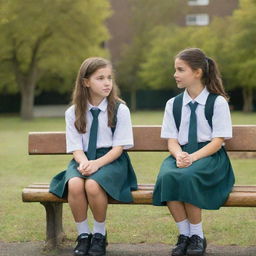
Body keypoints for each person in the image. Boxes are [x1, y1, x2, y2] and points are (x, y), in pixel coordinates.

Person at [49, 57, 137, 256]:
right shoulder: (73, 112)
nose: (107, 83)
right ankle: (83, 235)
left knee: (92, 185)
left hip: (111, 160)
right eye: (100, 78)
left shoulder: (120, 109)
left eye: (109, 78)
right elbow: (75, 147)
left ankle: (99, 234)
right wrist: (84, 163)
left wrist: (97, 164)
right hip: (83, 159)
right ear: (86, 82)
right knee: (75, 184)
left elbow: (118, 149)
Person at [153, 48, 235, 256]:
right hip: (180, 155)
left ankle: (197, 235)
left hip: (209, 157)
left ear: (197, 72)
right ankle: (184, 235)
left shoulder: (217, 102)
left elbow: (218, 141)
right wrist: (179, 154)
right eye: (175, 70)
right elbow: (171, 140)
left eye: (181, 70)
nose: (175, 74)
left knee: (188, 176)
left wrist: (193, 157)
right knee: (168, 175)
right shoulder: (173, 104)